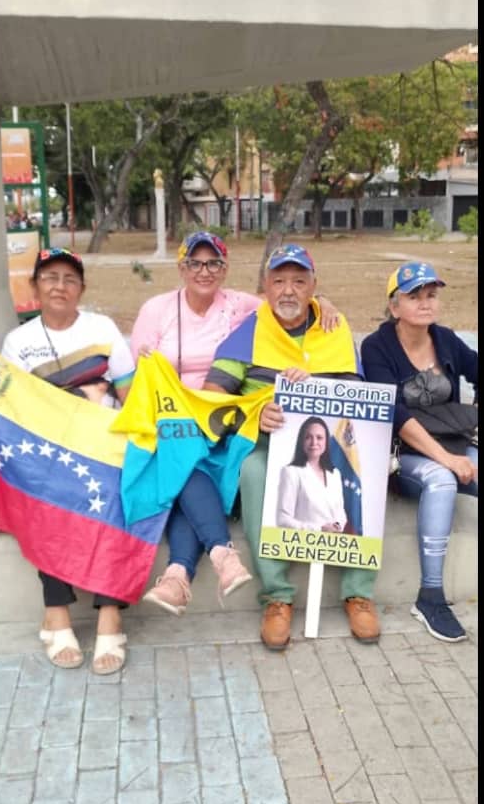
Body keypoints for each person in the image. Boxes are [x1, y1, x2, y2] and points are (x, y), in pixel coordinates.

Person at [130, 230, 340, 616]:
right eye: (195, 262)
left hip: (220, 419)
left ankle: (179, 572)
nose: (204, 271)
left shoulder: (242, 307)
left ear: (225, 269)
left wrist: (322, 301)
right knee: (181, 454)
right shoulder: (155, 310)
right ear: (181, 266)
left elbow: (288, 299)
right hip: (171, 418)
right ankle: (221, 555)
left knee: (187, 462)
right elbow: (133, 384)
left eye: (214, 263)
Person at [204, 242, 380, 649]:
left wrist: (319, 389)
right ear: (265, 286)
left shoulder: (335, 329)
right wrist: (256, 411)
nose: (288, 290)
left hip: (333, 440)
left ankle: (358, 592)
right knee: (254, 471)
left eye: (298, 281)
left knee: (364, 468)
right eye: (278, 280)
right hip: (268, 441)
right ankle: (277, 597)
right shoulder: (249, 329)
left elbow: (358, 397)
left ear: (313, 287)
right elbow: (213, 396)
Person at [0, 246, 136, 675]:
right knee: (44, 492)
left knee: (118, 491)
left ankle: (110, 614)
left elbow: (131, 396)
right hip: (50, 448)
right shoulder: (17, 343)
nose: (60, 286)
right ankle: (55, 609)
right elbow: (15, 410)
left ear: (81, 288)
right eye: (51, 277)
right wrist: (81, 397)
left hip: (104, 442)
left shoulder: (102, 328)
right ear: (35, 286)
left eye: (70, 279)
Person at [361, 262, 478, 643]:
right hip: (403, 456)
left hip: (452, 442)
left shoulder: (446, 339)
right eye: (414, 296)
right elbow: (397, 415)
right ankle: (430, 597)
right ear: (395, 307)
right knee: (441, 479)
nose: (426, 303)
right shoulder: (377, 346)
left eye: (431, 295)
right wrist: (446, 460)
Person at [276, 416, 347, 532]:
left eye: (319, 438)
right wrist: (319, 529)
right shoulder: (291, 472)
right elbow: (283, 519)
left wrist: (338, 525)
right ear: (301, 441)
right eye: (308, 437)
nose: (314, 442)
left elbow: (341, 513)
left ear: (326, 442)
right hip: (303, 543)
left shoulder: (335, 474)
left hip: (334, 544)